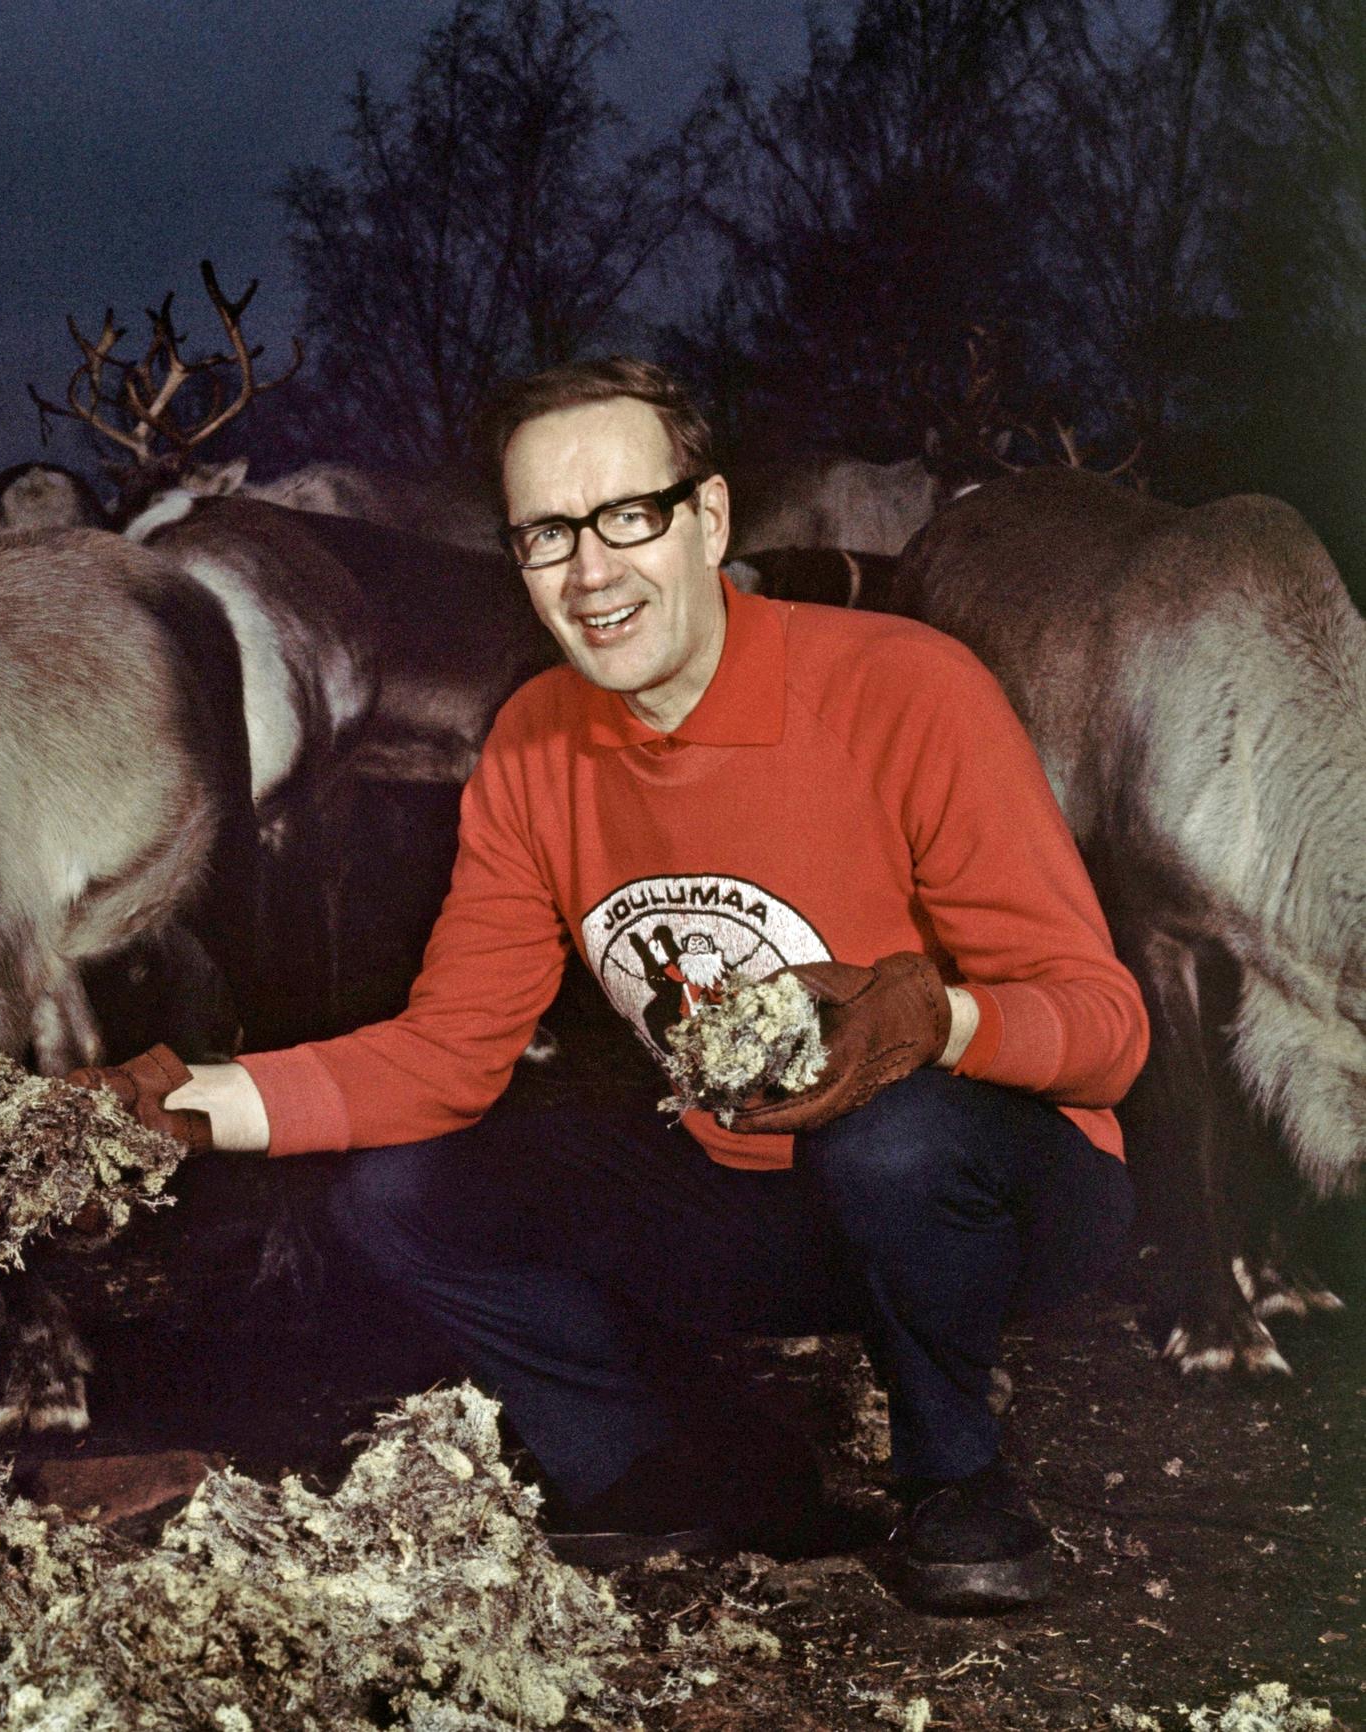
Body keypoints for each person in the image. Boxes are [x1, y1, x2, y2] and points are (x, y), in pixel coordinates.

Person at [77, 358, 1146, 1614]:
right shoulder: (534, 740)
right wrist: (189, 1099)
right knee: (398, 1191)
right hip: (749, 1197)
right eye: (545, 534)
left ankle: (955, 1478)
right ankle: (665, 1466)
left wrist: (937, 1016)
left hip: (999, 1196)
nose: (589, 573)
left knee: (891, 1135)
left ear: (708, 520)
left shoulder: (903, 687)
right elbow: (445, 1056)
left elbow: (1109, 1037)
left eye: (627, 516)